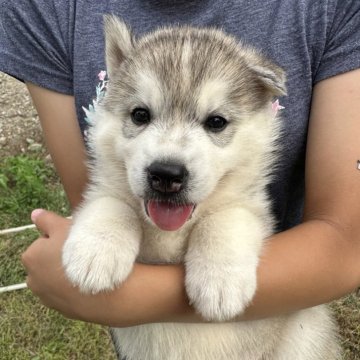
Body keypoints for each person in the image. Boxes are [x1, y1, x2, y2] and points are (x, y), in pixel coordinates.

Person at [1, 0, 360, 345]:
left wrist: (218, 242)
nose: (168, 159)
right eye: (141, 115)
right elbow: (98, 196)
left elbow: (342, 241)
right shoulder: (50, 8)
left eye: (215, 122)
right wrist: (109, 219)